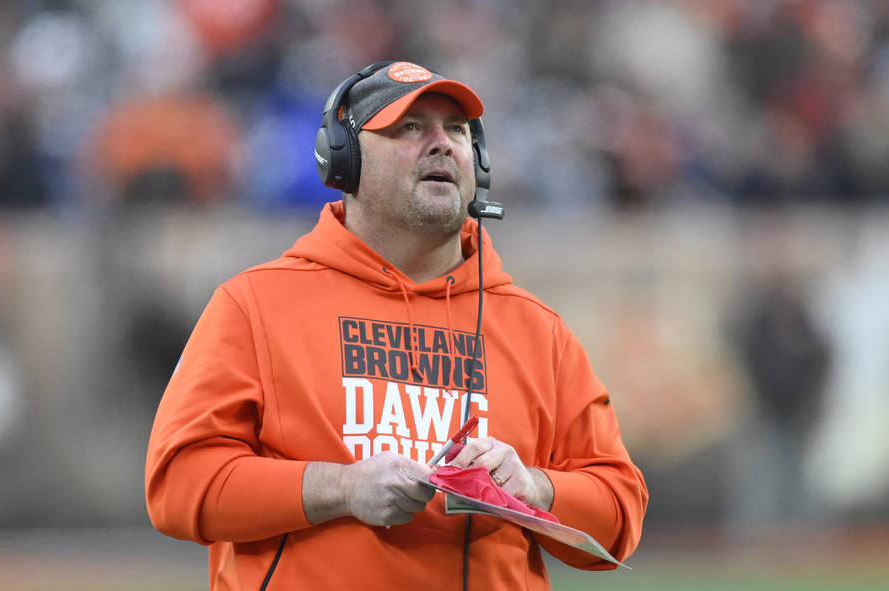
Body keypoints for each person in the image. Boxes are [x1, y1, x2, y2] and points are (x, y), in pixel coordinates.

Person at [145, 60, 648, 590]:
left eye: (456, 129)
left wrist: (533, 488)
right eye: (410, 127)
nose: (442, 144)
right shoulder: (253, 305)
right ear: (345, 159)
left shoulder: (539, 331)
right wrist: (337, 488)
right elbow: (177, 487)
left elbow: (619, 516)